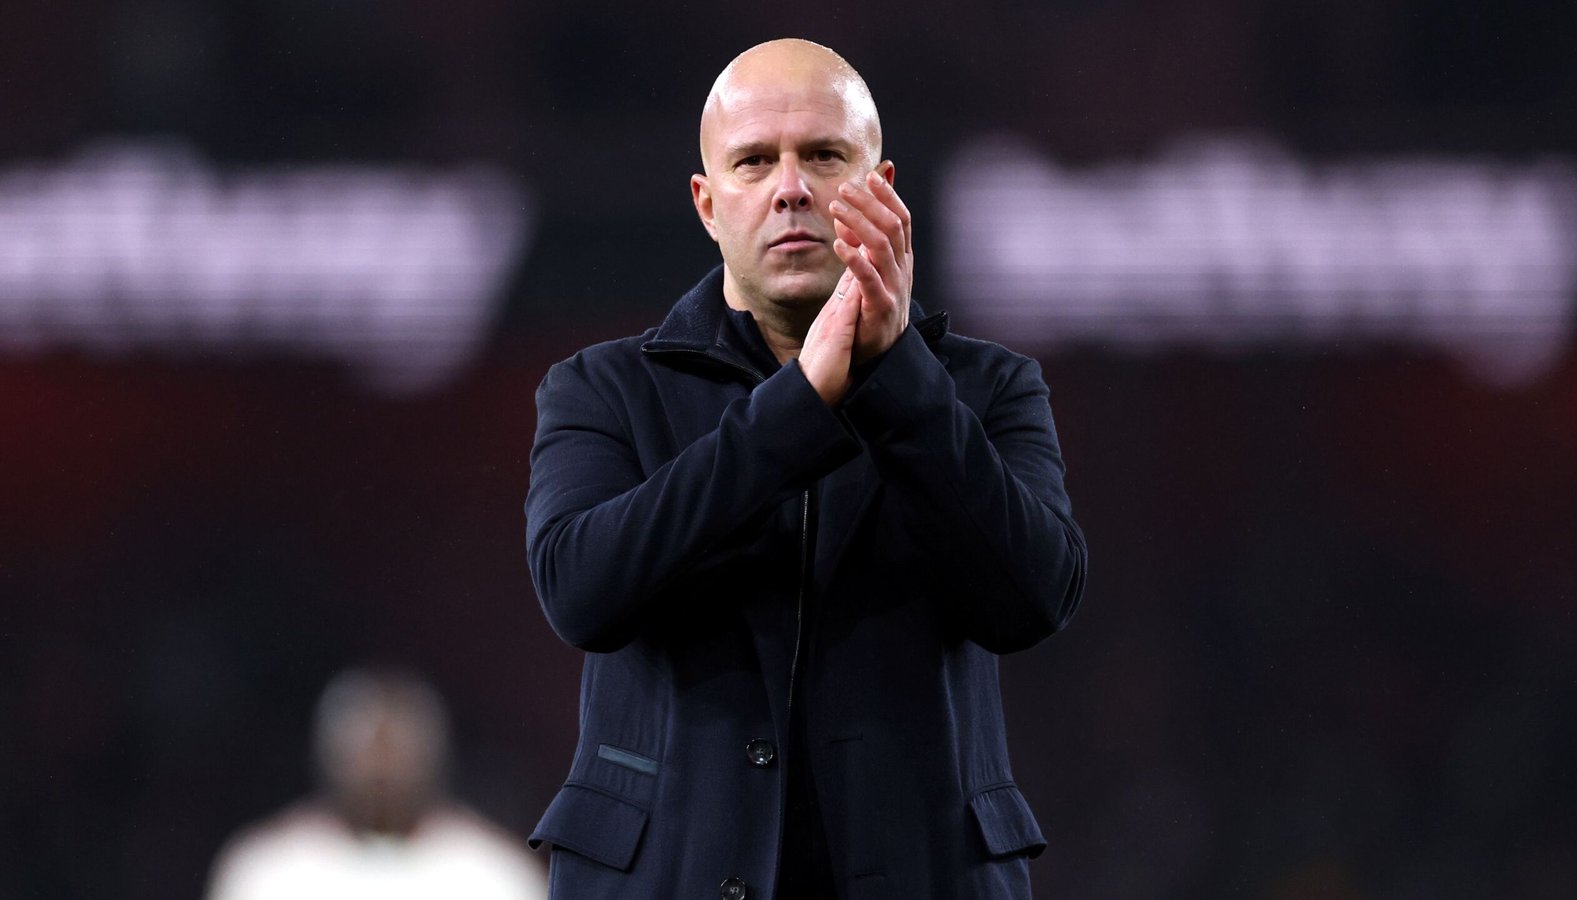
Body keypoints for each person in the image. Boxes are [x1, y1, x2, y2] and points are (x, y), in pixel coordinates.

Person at [523, 38, 1087, 900]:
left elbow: (1032, 595)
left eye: (824, 156)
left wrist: (899, 380)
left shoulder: (990, 388)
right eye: (755, 162)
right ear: (709, 206)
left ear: (883, 188)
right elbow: (582, 590)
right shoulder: (601, 389)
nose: (791, 188)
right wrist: (799, 408)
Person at [205, 668, 548, 900]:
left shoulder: (495, 875)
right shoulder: (267, 870)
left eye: (397, 749)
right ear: (331, 754)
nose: (382, 769)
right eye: (367, 749)